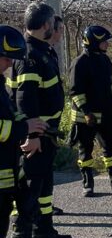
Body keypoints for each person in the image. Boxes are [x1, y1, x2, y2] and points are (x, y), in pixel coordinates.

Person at [7, 2, 73, 238]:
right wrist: (32, 134)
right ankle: (21, 237)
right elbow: (25, 99)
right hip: (37, 135)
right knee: (30, 186)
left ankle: (43, 229)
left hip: (47, 133)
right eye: (52, 24)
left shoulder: (42, 50)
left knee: (44, 184)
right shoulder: (29, 55)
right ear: (46, 24)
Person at [0, 25, 49, 238]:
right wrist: (24, 128)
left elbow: (10, 114)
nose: (10, 65)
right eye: (5, 58)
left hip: (7, 167)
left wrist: (25, 122)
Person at [68, 25, 112, 196]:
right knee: (85, 150)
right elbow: (75, 92)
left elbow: (107, 87)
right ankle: (88, 184)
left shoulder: (105, 60)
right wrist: (86, 112)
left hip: (104, 114)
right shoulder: (80, 63)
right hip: (86, 118)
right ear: (92, 42)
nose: (107, 44)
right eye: (104, 41)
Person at [46, 15, 65, 216]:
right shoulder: (34, 56)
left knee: (45, 174)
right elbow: (26, 97)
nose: (60, 33)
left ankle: (44, 211)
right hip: (39, 128)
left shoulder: (49, 53)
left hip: (48, 126)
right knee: (33, 176)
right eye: (59, 29)